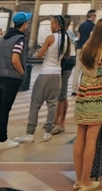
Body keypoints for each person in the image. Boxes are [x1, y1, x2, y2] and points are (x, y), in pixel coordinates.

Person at [73, 18, 102, 191]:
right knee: (91, 139)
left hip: (83, 92)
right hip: (97, 94)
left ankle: (78, 180)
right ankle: (86, 182)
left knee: (80, 137)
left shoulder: (86, 48)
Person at [19, 15, 70, 143]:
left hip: (46, 72)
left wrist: (41, 52)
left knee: (36, 103)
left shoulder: (50, 38)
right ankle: (47, 132)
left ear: (57, 25)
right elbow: (66, 56)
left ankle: (30, 133)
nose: (50, 26)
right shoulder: (67, 38)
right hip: (57, 74)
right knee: (52, 103)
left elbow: (40, 55)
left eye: (52, 24)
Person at [0, 12, 30, 149]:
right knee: (5, 108)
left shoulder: (5, 37)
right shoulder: (19, 38)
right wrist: (22, 73)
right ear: (24, 24)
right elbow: (15, 59)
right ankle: (2, 140)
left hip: (1, 76)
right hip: (12, 78)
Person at [54, 18, 75, 134]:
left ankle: (60, 122)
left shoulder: (64, 35)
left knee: (62, 93)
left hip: (65, 63)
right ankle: (56, 120)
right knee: (61, 93)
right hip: (70, 62)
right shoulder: (70, 33)